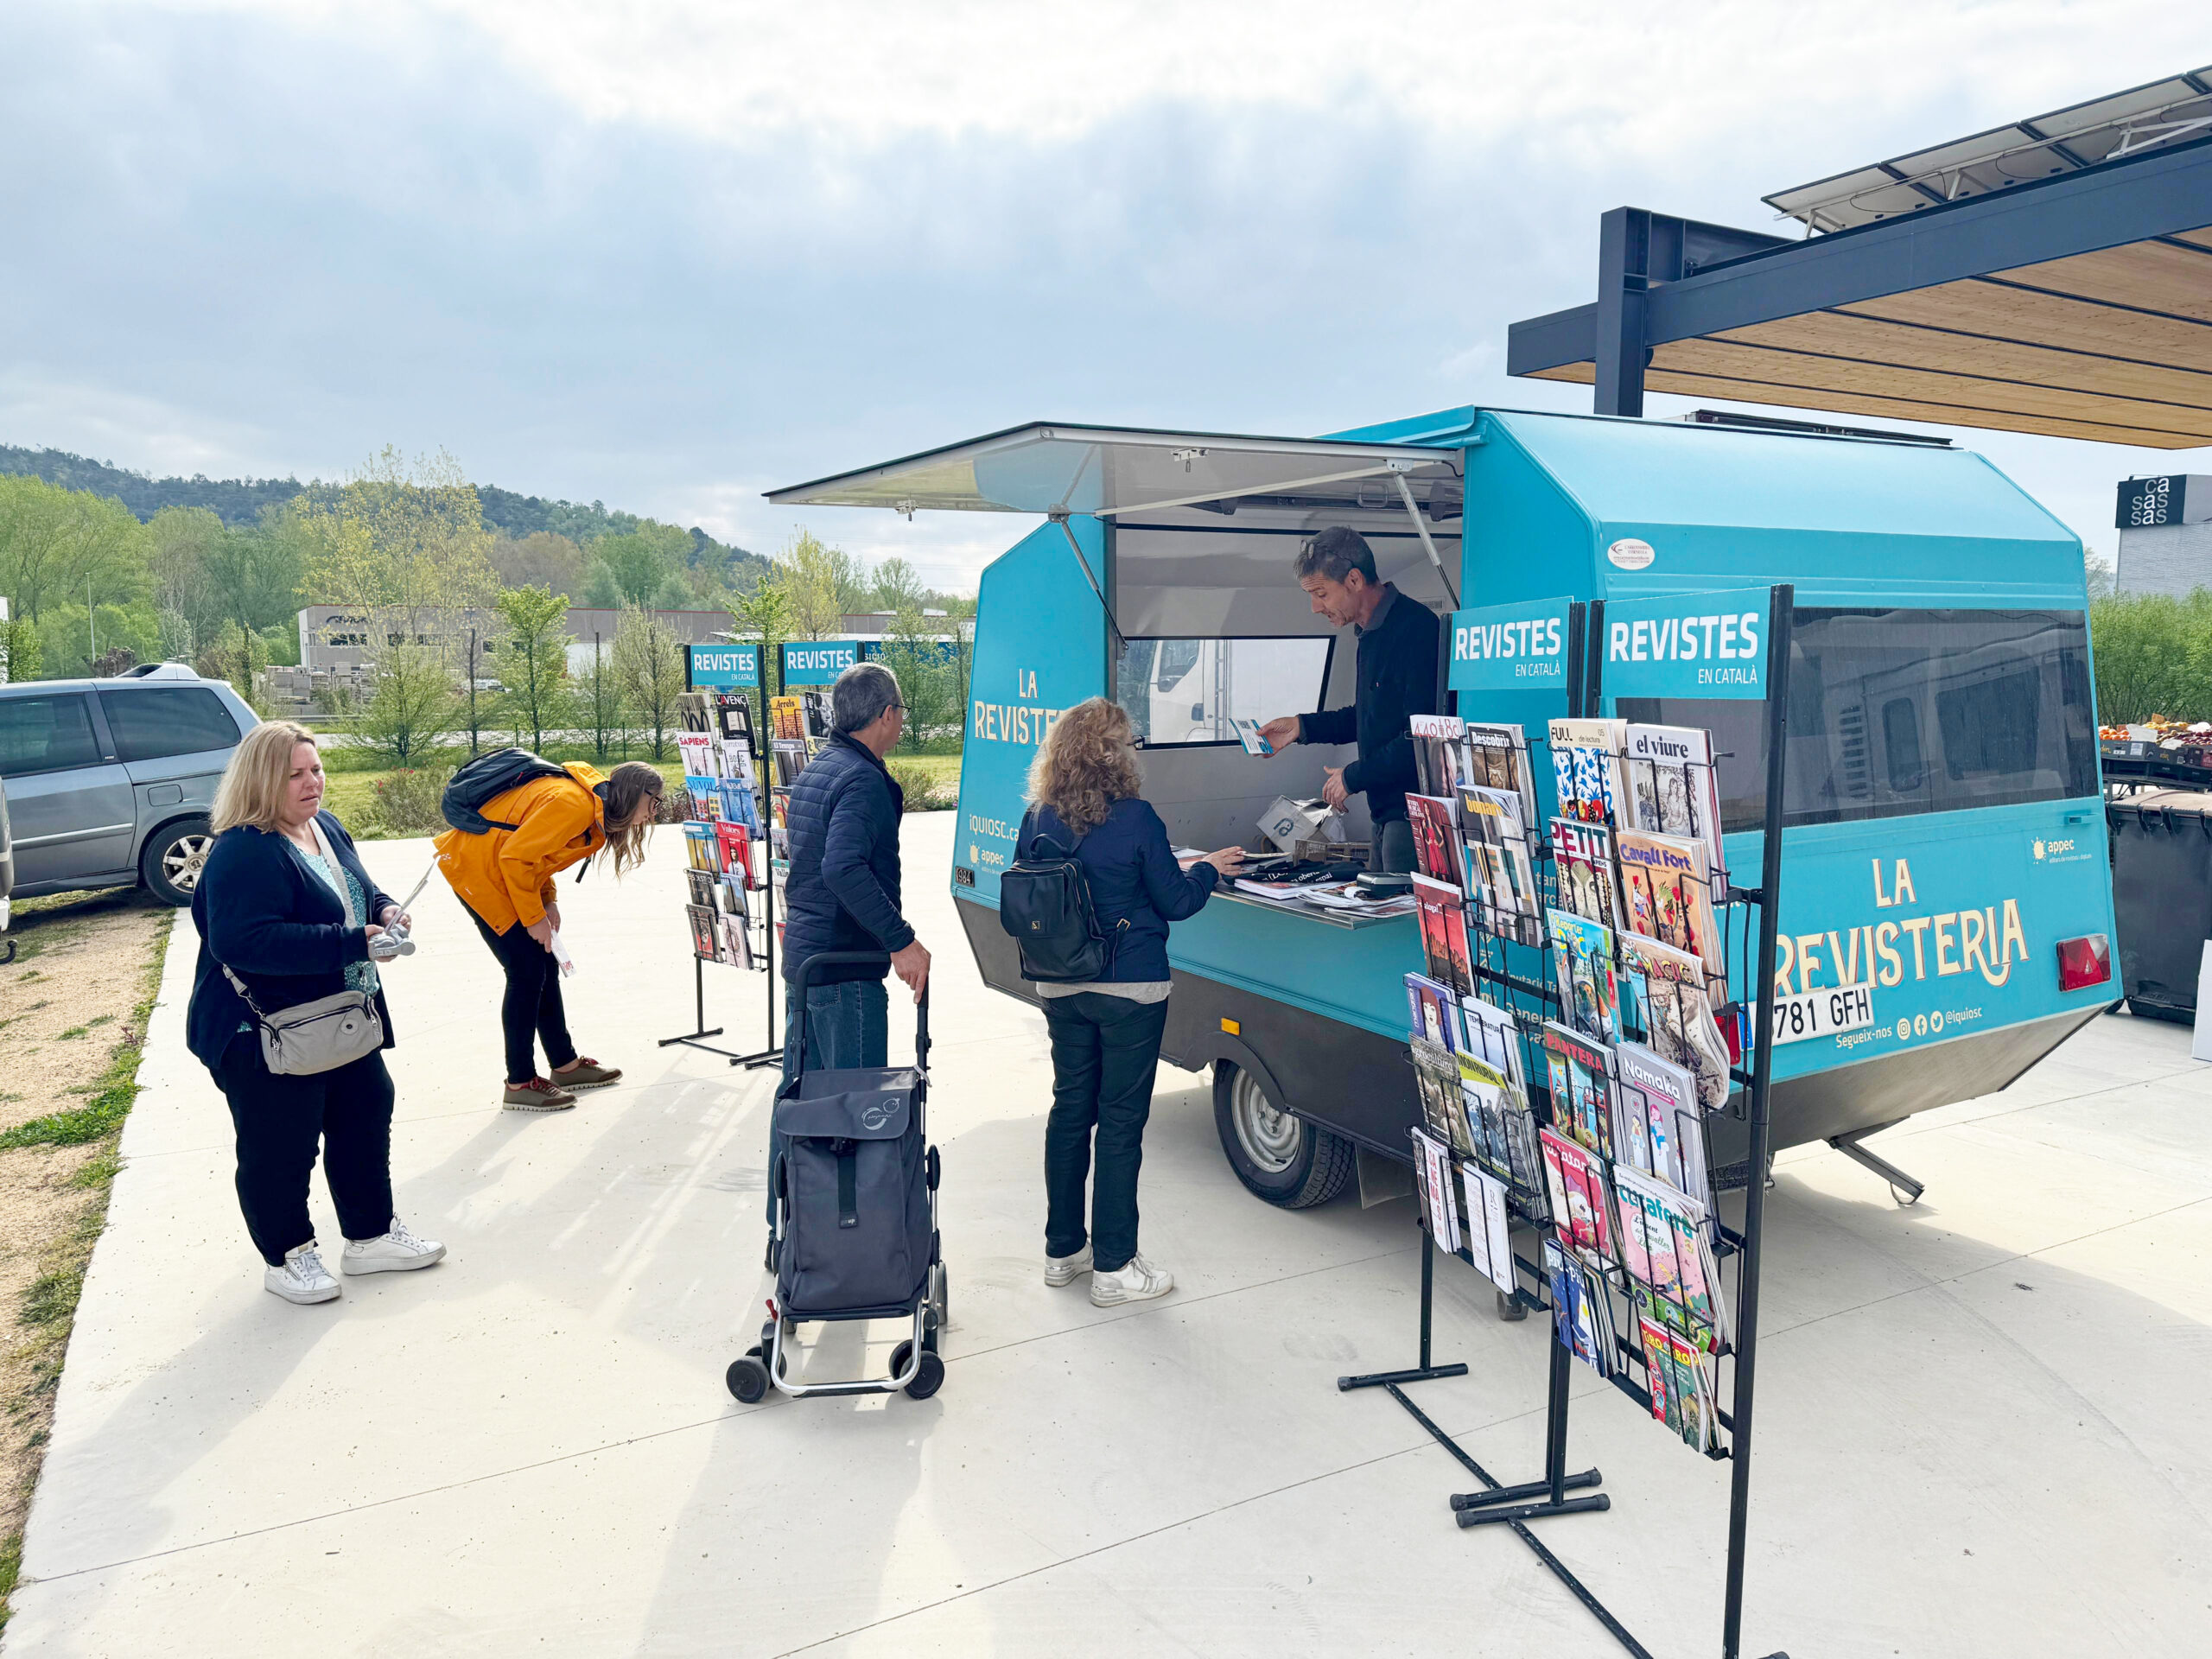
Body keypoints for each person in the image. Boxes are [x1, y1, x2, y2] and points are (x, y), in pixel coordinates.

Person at [187, 721, 445, 1305]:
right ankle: (287, 1257)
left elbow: (359, 890)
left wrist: (386, 910)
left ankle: (371, 1237)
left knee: (365, 1113)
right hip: (262, 1031)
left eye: (317, 769)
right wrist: (353, 942)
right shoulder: (243, 850)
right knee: (282, 1146)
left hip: (338, 1015)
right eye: (295, 775)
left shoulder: (323, 826)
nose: (313, 783)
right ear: (260, 780)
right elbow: (245, 942)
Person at [1021, 698, 1243, 1307]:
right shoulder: (1137, 818)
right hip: (1129, 989)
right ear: (1111, 755)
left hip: (1060, 985)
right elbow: (1177, 902)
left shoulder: (1038, 818)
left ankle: (1063, 1252)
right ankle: (1115, 1267)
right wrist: (1207, 870)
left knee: (1071, 1112)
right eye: (1129, 743)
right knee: (1120, 1123)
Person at [435, 759, 664, 1110]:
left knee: (544, 964)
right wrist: (533, 919)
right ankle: (520, 1082)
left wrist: (547, 901)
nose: (655, 811)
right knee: (526, 972)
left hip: (503, 872)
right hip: (480, 871)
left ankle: (565, 1065)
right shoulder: (574, 805)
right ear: (636, 792)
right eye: (654, 801)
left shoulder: (590, 810)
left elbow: (538, 856)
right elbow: (516, 858)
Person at [1258, 525, 1441, 874]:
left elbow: (1421, 738)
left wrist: (1352, 777)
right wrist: (1300, 727)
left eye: (1321, 594)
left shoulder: (1417, 629)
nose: (1315, 607)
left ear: (1354, 580)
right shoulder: (1369, 633)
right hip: (1383, 814)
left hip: (1412, 818)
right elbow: (1369, 716)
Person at [780, 661, 929, 1079]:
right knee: (855, 1105)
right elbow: (842, 868)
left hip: (808, 964)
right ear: (887, 714)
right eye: (901, 711)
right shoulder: (862, 779)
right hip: (843, 972)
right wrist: (901, 941)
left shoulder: (820, 767)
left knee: (801, 1098)